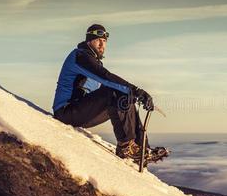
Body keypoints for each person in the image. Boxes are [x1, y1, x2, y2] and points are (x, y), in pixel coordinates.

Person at [52, 24, 164, 162]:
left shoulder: (93, 61)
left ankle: (142, 149)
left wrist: (132, 96)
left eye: (104, 41)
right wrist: (136, 91)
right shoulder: (80, 56)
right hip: (66, 112)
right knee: (116, 91)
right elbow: (106, 77)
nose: (101, 44)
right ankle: (126, 147)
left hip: (81, 112)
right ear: (89, 41)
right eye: (98, 40)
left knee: (126, 99)